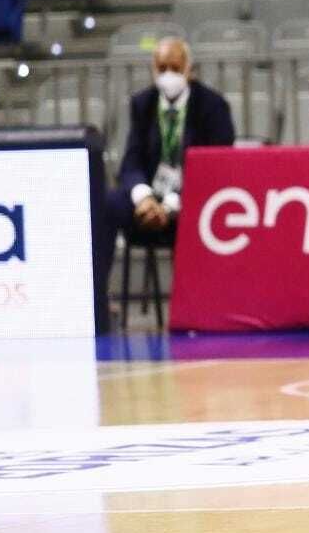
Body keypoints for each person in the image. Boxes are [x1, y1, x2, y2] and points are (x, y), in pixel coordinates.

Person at [93, 37, 235, 322]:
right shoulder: (142, 104)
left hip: (194, 199)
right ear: (153, 70)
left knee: (205, 208)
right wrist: (143, 197)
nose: (168, 74)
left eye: (175, 66)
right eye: (162, 67)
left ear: (188, 69)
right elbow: (131, 161)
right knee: (107, 203)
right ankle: (98, 300)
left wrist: (172, 205)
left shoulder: (213, 106)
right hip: (149, 200)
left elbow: (216, 168)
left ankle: (198, 309)